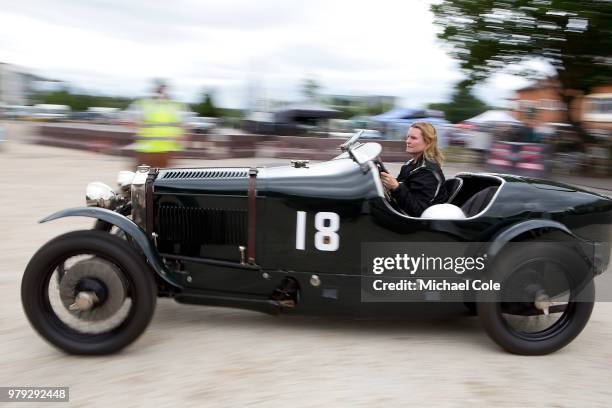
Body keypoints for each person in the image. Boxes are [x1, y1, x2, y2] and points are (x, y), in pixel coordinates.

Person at [380, 122, 448, 217]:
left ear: (428, 142)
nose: (408, 141)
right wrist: (388, 182)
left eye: (413, 138)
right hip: (400, 212)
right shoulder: (410, 164)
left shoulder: (428, 172)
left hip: (414, 224)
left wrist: (396, 187)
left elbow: (418, 211)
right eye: (408, 137)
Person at [127, 79, 189, 168]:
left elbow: (186, 125)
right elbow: (186, 126)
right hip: (150, 151)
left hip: (161, 151)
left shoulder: (144, 104)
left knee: (147, 178)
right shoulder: (175, 106)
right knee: (148, 178)